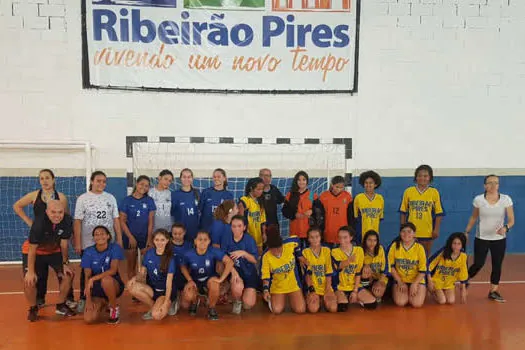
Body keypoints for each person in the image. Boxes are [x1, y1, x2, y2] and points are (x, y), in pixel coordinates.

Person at [13, 169, 72, 308]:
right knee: (38, 276)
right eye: (41, 178)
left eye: (47, 178)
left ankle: (65, 300)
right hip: (38, 239)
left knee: (65, 273)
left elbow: (65, 218)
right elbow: (17, 206)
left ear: (53, 180)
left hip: (53, 242)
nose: (44, 181)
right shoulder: (35, 195)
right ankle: (38, 301)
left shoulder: (61, 197)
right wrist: (30, 223)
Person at [74, 171, 122, 313]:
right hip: (88, 241)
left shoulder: (110, 198)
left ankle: (110, 298)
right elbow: (77, 221)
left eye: (104, 181)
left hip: (107, 240)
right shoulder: (83, 199)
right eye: (98, 181)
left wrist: (119, 239)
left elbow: (116, 219)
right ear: (92, 181)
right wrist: (78, 242)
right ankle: (84, 298)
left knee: (110, 268)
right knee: (86, 271)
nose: (101, 184)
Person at [23, 200, 76, 322]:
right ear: (47, 212)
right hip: (34, 252)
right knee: (29, 280)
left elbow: (64, 245)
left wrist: (65, 264)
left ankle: (61, 305)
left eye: (60, 212)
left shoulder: (67, 220)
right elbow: (32, 248)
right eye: (53, 212)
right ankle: (33, 308)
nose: (57, 215)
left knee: (68, 275)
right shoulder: (39, 223)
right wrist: (30, 271)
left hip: (54, 251)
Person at [464, 175, 514, 303]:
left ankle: (493, 291)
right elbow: (474, 217)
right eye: (490, 183)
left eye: (496, 183)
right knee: (478, 263)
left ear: (498, 185)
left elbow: (511, 220)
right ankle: (464, 279)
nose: (493, 185)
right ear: (485, 185)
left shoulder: (506, 199)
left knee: (497, 265)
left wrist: (506, 228)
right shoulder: (479, 200)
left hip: (499, 239)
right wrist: (466, 232)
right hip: (482, 237)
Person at [181, 230, 234, 320]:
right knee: (186, 300)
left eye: (205, 239)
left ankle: (211, 308)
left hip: (209, 279)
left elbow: (229, 262)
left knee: (215, 284)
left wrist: (221, 279)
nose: (202, 242)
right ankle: (195, 302)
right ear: (195, 241)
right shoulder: (188, 254)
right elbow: (182, 266)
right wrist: (189, 280)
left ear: (209, 241)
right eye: (200, 239)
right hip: (195, 280)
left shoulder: (213, 251)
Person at [127, 229, 177, 320]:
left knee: (156, 316)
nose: (159, 243)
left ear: (167, 241)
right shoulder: (149, 253)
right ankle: (153, 306)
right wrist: (134, 278)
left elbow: (169, 283)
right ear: (153, 241)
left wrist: (166, 302)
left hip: (165, 292)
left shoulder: (170, 258)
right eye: (157, 240)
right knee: (131, 286)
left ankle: (170, 302)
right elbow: (142, 272)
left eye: (162, 240)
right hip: (153, 290)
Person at [81, 226, 125, 324]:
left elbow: (113, 270)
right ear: (93, 238)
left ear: (108, 236)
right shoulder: (88, 252)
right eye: (96, 234)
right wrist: (88, 300)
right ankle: (104, 303)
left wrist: (93, 279)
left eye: (102, 234)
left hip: (113, 283)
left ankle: (114, 309)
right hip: (96, 287)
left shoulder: (115, 248)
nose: (100, 236)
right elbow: (87, 277)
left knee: (106, 280)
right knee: (89, 319)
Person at [400, 164, 445, 255]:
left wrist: (436, 229)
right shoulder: (408, 191)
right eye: (419, 175)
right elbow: (403, 212)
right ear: (416, 177)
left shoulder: (434, 192)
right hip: (411, 231)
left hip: (427, 231)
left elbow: (439, 213)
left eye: (425, 176)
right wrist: (403, 228)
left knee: (425, 255)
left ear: (430, 178)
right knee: (410, 254)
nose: (422, 178)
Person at [261, 225, 306, 315]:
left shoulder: (290, 243)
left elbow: (297, 240)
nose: (277, 252)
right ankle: (272, 299)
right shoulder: (266, 256)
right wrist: (265, 290)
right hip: (278, 287)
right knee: (277, 310)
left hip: (293, 284)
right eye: (274, 250)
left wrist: (299, 255)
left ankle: (292, 298)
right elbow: (265, 275)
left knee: (300, 310)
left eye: (279, 248)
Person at [119, 175, 156, 282]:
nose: (144, 187)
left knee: (148, 266)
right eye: (142, 184)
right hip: (129, 237)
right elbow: (122, 221)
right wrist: (130, 237)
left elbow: (151, 222)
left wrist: (149, 239)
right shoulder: (127, 200)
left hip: (145, 237)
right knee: (131, 266)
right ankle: (134, 291)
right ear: (136, 184)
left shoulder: (149, 201)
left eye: (147, 186)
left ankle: (146, 289)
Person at [331, 226, 377, 312]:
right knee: (342, 307)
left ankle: (355, 298)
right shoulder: (334, 251)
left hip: (354, 285)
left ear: (351, 238)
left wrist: (355, 291)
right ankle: (344, 298)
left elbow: (358, 272)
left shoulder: (359, 250)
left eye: (345, 237)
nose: (342, 240)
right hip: (340, 286)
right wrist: (349, 260)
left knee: (372, 304)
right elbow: (338, 266)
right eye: (340, 237)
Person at [220, 215, 258, 314]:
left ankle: (243, 291)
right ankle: (237, 300)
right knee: (237, 285)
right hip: (235, 270)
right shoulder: (226, 238)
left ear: (244, 227)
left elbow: (255, 260)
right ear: (230, 227)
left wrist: (244, 253)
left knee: (248, 304)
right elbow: (223, 258)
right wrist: (233, 271)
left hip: (248, 273)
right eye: (234, 226)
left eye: (239, 226)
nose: (236, 228)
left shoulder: (249, 240)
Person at [388, 223, 427, 308]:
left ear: (414, 234)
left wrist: (415, 284)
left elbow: (423, 270)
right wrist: (400, 282)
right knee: (401, 302)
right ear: (400, 233)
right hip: (401, 279)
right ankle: (398, 291)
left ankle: (420, 290)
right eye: (403, 231)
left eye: (409, 231)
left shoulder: (419, 248)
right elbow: (391, 266)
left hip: (416, 279)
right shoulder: (395, 246)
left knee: (416, 304)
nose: (406, 234)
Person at [301, 226, 337, 313]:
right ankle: (318, 300)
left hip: (326, 286)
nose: (314, 240)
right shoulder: (305, 252)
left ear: (321, 237)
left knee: (333, 308)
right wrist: (312, 290)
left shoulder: (327, 250)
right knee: (313, 309)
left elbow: (329, 272)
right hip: (313, 286)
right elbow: (307, 274)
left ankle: (323, 299)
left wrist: (328, 289)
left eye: (317, 237)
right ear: (308, 239)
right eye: (312, 237)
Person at [428, 232, 468, 305]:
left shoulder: (463, 256)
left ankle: (442, 291)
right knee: (442, 301)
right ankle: (432, 291)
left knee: (451, 301)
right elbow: (429, 264)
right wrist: (429, 281)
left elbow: (463, 273)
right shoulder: (443, 252)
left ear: (462, 245)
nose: (456, 246)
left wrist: (463, 290)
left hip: (449, 283)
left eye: (459, 244)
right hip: (437, 280)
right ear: (450, 243)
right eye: (454, 243)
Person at [282, 171, 317, 247]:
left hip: (309, 231)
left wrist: (312, 211)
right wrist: (294, 215)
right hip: (295, 230)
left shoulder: (312, 195)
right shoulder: (290, 195)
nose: (301, 182)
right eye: (299, 180)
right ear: (296, 181)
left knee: (308, 254)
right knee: (296, 254)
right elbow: (285, 211)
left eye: (304, 179)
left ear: (307, 181)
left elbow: (319, 210)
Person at [316, 176, 353, 247]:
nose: (339, 189)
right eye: (337, 187)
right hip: (328, 232)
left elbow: (350, 215)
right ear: (332, 185)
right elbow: (319, 215)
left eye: (341, 187)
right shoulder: (324, 196)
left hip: (343, 233)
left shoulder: (347, 196)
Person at [353, 171, 384, 243]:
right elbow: (356, 217)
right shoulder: (358, 198)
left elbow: (380, 217)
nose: (368, 185)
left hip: (375, 233)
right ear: (363, 184)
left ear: (375, 184)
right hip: (362, 234)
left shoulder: (380, 198)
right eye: (366, 183)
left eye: (371, 183)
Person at [238, 177, 267, 255]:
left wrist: (264, 233)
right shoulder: (246, 200)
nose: (261, 191)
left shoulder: (260, 202)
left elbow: (263, 221)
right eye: (258, 189)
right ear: (251, 188)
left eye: (262, 189)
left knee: (259, 257)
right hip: (248, 236)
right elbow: (240, 216)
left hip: (258, 236)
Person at [171, 168, 200, 242]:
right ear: (180, 178)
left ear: (192, 178)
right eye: (184, 177)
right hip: (180, 232)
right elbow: (172, 213)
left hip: (194, 231)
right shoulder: (174, 194)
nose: (186, 179)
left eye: (189, 177)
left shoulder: (197, 193)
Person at [171, 223, 193, 310]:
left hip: (185, 277)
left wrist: (190, 278)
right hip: (172, 277)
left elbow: (192, 262)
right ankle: (174, 297)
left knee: (185, 306)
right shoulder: (167, 245)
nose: (177, 236)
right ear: (171, 233)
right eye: (174, 234)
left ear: (184, 233)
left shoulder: (189, 246)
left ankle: (184, 294)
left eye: (180, 234)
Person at [361, 230, 388, 302]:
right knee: (365, 269)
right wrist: (365, 266)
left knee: (377, 293)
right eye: (369, 240)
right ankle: (366, 291)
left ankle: (376, 294)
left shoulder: (381, 249)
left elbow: (386, 269)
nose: (372, 243)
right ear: (365, 240)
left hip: (380, 278)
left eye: (375, 240)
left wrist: (379, 282)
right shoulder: (361, 251)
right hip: (368, 278)